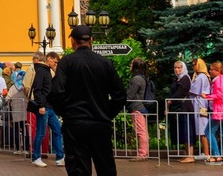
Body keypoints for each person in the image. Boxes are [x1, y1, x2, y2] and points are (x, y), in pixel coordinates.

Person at [48, 25, 125, 176]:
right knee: (106, 168)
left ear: (72, 42)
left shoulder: (66, 62)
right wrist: (106, 113)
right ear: (91, 40)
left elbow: (56, 92)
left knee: (78, 169)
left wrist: (65, 112)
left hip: (75, 124)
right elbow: (120, 95)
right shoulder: (105, 63)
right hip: (100, 124)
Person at [29, 51, 64, 167]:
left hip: (49, 107)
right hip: (44, 107)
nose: (55, 64)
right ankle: (36, 157)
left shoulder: (47, 71)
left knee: (57, 131)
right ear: (49, 59)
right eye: (55, 61)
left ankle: (60, 157)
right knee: (41, 132)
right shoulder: (41, 71)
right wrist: (41, 105)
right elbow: (37, 90)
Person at [202, 61, 223, 164]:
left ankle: (216, 155)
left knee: (208, 131)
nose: (210, 71)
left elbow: (219, 95)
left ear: (217, 70)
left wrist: (207, 97)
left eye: (211, 69)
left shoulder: (218, 80)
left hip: (219, 110)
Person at [168, 61, 194, 162]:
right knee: (184, 131)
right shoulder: (178, 78)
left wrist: (170, 101)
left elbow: (180, 92)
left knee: (188, 131)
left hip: (185, 108)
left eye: (179, 68)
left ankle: (190, 155)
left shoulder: (185, 78)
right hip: (179, 108)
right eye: (175, 68)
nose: (177, 70)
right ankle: (187, 154)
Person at [126, 58, 151, 161]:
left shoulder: (136, 79)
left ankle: (142, 154)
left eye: (132, 63)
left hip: (136, 107)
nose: (130, 65)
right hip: (141, 107)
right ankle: (144, 152)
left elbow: (129, 95)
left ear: (136, 66)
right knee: (143, 131)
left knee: (141, 131)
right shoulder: (143, 78)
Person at [189, 58, 211, 160]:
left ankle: (206, 153)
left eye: (194, 64)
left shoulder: (201, 77)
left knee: (202, 130)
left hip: (200, 104)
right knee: (201, 129)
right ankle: (205, 152)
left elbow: (193, 89)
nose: (193, 66)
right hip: (200, 103)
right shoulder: (202, 76)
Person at [6, 69, 29, 155]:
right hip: (25, 112)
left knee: (15, 129)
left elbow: (7, 98)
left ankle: (18, 148)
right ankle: (26, 148)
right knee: (25, 130)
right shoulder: (26, 87)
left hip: (15, 111)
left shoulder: (13, 87)